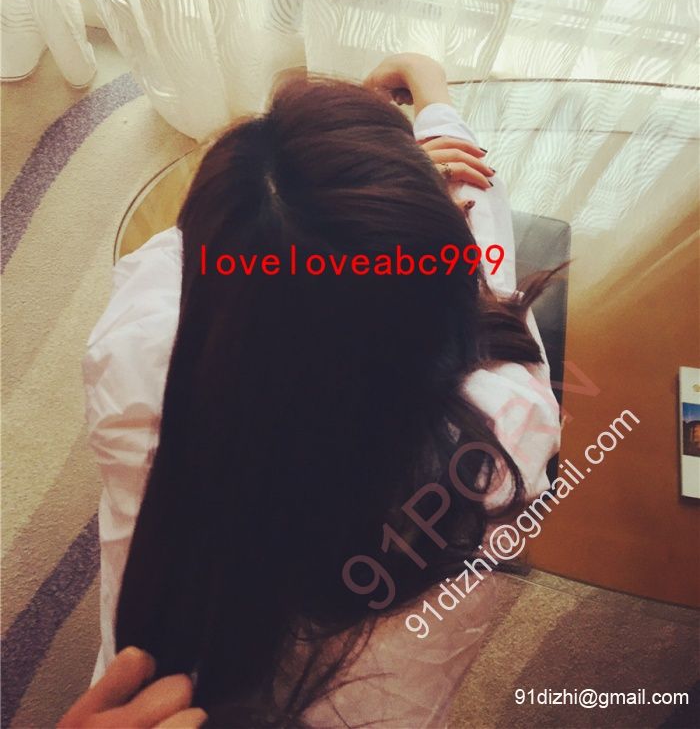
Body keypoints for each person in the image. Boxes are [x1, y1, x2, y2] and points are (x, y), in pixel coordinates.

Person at [81, 53, 561, 727]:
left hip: (145, 689)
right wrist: (427, 101)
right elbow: (489, 267)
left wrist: (324, 191)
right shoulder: (501, 434)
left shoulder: (130, 349)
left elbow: (201, 250)